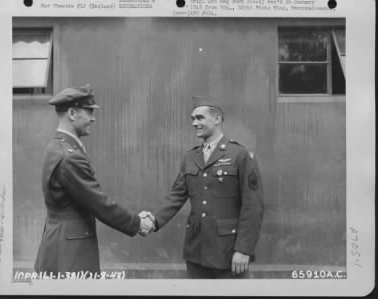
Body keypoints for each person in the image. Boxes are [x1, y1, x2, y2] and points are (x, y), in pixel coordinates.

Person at [34, 84, 153, 276]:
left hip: (59, 241)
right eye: (89, 112)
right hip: (71, 249)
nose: (93, 118)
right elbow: (99, 203)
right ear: (72, 113)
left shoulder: (56, 147)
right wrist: (137, 222)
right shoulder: (70, 156)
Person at [141, 96, 265, 278]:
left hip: (228, 252)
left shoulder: (240, 155)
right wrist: (153, 221)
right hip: (196, 251)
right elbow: (176, 196)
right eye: (193, 119)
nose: (194, 123)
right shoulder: (191, 157)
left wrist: (244, 250)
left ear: (217, 119)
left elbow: (253, 206)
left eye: (200, 118)